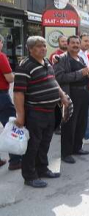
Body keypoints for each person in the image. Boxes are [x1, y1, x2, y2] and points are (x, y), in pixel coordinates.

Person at [14, 36, 69, 188]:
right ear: (30, 49)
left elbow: (53, 81)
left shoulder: (47, 62)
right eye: (39, 46)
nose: (43, 48)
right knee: (33, 145)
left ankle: (42, 169)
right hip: (35, 113)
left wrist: (62, 95)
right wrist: (20, 116)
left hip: (50, 111)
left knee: (45, 143)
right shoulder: (25, 66)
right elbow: (18, 93)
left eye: (44, 46)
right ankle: (30, 176)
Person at [54, 35, 89, 164]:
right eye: (73, 43)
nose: (75, 45)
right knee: (69, 124)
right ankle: (66, 153)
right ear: (68, 45)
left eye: (77, 43)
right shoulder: (62, 59)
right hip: (71, 95)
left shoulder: (80, 57)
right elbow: (59, 77)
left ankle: (77, 148)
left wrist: (88, 75)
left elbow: (83, 73)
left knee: (81, 122)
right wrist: (80, 73)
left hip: (84, 93)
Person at [0, 35, 22, 170]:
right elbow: (9, 78)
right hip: (1, 96)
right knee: (10, 126)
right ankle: (15, 161)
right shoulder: (1, 56)